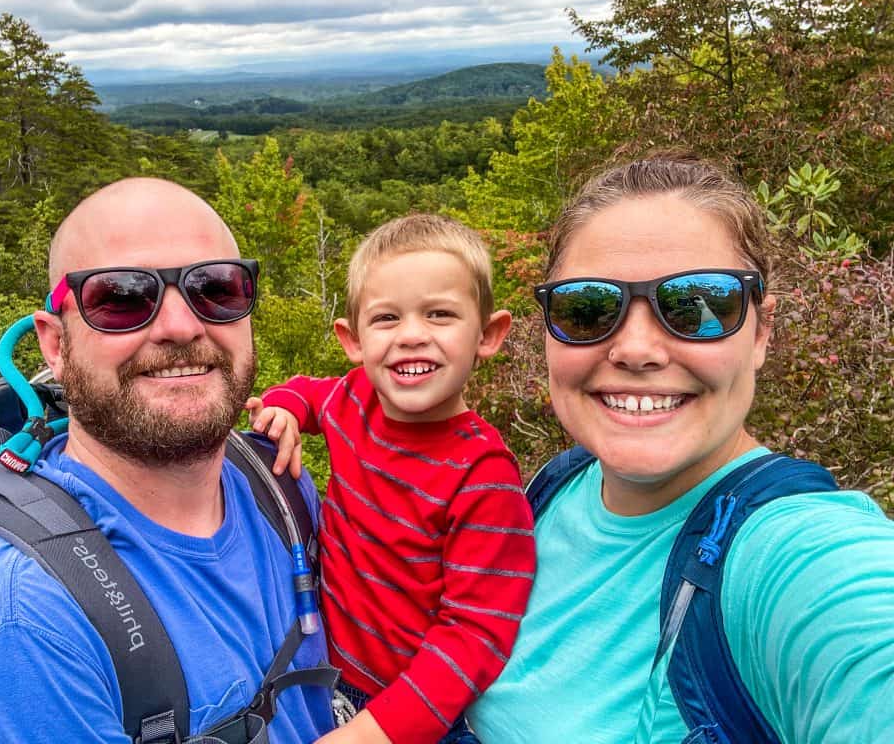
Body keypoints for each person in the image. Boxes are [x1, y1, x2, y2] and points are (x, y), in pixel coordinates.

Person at [468, 153, 894, 743]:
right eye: (588, 308)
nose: (636, 348)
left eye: (698, 306)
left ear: (761, 331)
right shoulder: (549, 491)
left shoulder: (798, 558)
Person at [0, 178, 335, 743]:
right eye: (123, 299)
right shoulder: (11, 625)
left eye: (216, 289)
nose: (181, 327)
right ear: (55, 346)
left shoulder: (280, 488)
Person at [247, 214, 537, 744]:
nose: (411, 336)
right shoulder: (354, 397)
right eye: (386, 319)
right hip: (326, 671)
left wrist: (376, 731)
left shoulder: (483, 476)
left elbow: (476, 632)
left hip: (412, 710)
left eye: (440, 314)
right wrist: (283, 410)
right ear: (353, 340)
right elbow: (305, 392)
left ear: (488, 335)